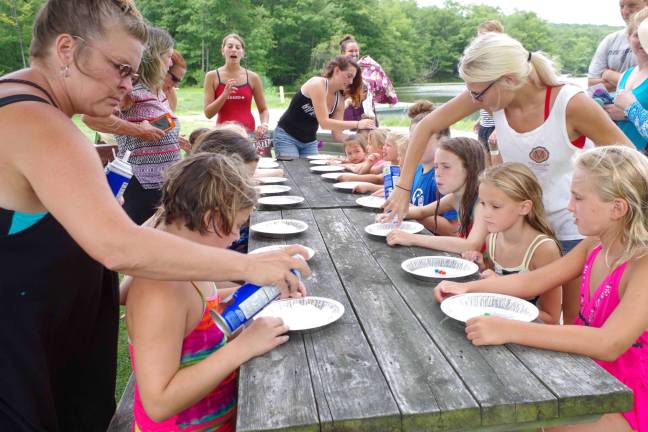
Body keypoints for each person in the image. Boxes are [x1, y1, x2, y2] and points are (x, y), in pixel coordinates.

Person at [0, 1, 310, 430]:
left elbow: (87, 255)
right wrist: (250, 266)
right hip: (21, 362)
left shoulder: (22, 105)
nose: (129, 87)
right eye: (121, 68)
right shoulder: (37, 122)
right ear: (67, 49)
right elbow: (118, 247)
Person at [382, 32, 632, 324]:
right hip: (521, 226)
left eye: (478, 93)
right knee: (518, 309)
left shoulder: (570, 103)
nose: (474, 100)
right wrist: (402, 187)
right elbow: (426, 126)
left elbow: (629, 160)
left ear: (509, 79)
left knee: (572, 320)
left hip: (571, 229)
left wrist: (613, 208)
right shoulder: (492, 95)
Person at [434, 146, 648, 432]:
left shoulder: (642, 266)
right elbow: (531, 282)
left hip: (630, 396)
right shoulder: (593, 246)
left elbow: (609, 343)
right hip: (587, 369)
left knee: (524, 419)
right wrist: (468, 289)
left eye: (579, 197)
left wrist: (509, 329)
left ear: (617, 208)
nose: (569, 206)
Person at [128, 153, 302, 431]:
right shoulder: (159, 292)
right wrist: (243, 347)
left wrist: (260, 293)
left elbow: (200, 315)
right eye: (235, 226)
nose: (236, 237)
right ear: (210, 220)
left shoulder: (187, 266)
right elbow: (158, 403)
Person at [82, 27, 186, 225]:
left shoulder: (159, 91)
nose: (171, 62)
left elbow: (155, 125)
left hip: (166, 183)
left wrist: (174, 139)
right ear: (154, 57)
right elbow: (90, 117)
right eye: (168, 56)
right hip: (139, 184)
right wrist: (137, 130)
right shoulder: (131, 90)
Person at [461, 162, 562, 324]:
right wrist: (481, 268)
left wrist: (500, 288)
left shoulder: (543, 249)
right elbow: (495, 279)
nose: (485, 213)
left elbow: (551, 318)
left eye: (495, 206)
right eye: (482, 203)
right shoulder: (492, 239)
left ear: (524, 207)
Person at [384, 137, 488, 254]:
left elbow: (472, 245)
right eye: (436, 166)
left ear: (470, 169)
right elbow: (421, 211)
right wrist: (392, 214)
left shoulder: (483, 203)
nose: (437, 173)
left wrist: (412, 238)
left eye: (446, 167)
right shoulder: (454, 198)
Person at [274, 55, 375, 157]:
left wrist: (362, 141)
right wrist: (357, 124)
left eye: (353, 78)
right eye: (349, 76)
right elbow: (324, 123)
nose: (351, 82)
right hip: (286, 137)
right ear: (337, 71)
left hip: (309, 142)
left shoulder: (339, 100)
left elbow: (337, 135)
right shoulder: (317, 84)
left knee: (311, 172)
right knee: (292, 171)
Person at [203, 34, 269, 138]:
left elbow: (263, 110)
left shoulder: (253, 77)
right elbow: (208, 113)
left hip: (248, 134)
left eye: (238, 47)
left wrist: (264, 124)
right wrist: (224, 95)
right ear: (222, 50)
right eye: (230, 46)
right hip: (223, 134)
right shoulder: (212, 76)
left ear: (242, 53)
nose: (234, 50)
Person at [407, 101, 457, 235]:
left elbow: (453, 230)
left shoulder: (446, 178)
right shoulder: (417, 169)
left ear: (444, 141)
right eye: (412, 139)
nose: (415, 145)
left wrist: (413, 211)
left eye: (422, 139)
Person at [588, 0, 646, 92]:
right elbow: (591, 84)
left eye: (632, 5)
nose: (625, 12)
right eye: (622, 7)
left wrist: (608, 74)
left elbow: (644, 83)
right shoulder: (610, 40)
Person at [339, 34, 398, 123]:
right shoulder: (337, 70)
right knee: (350, 135)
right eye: (351, 51)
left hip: (367, 111)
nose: (354, 54)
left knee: (370, 135)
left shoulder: (368, 67)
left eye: (356, 51)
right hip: (347, 112)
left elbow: (380, 85)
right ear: (343, 53)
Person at [611, 9, 648, 151]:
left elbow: (628, 107)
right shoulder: (627, 74)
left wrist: (630, 109)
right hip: (623, 159)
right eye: (637, 35)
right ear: (628, 38)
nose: (643, 42)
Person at [473, 20, 504, 153]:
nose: (481, 42)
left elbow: (506, 105)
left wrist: (499, 129)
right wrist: (481, 119)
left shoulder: (502, 64)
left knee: (497, 166)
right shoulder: (484, 65)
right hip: (485, 125)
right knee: (485, 168)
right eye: (479, 37)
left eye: (485, 37)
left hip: (497, 127)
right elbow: (483, 99)